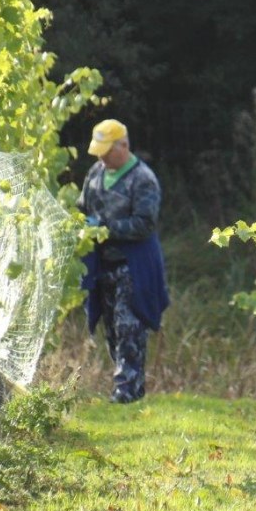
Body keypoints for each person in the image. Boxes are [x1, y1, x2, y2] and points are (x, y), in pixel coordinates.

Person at [78, 119, 170, 404]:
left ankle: (126, 391)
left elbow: (144, 224)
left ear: (124, 146)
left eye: (107, 151)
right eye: (99, 152)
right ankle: (128, 386)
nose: (103, 157)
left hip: (134, 264)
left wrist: (104, 228)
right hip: (103, 265)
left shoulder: (143, 179)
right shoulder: (96, 172)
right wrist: (81, 224)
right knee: (113, 328)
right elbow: (82, 207)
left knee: (129, 324)